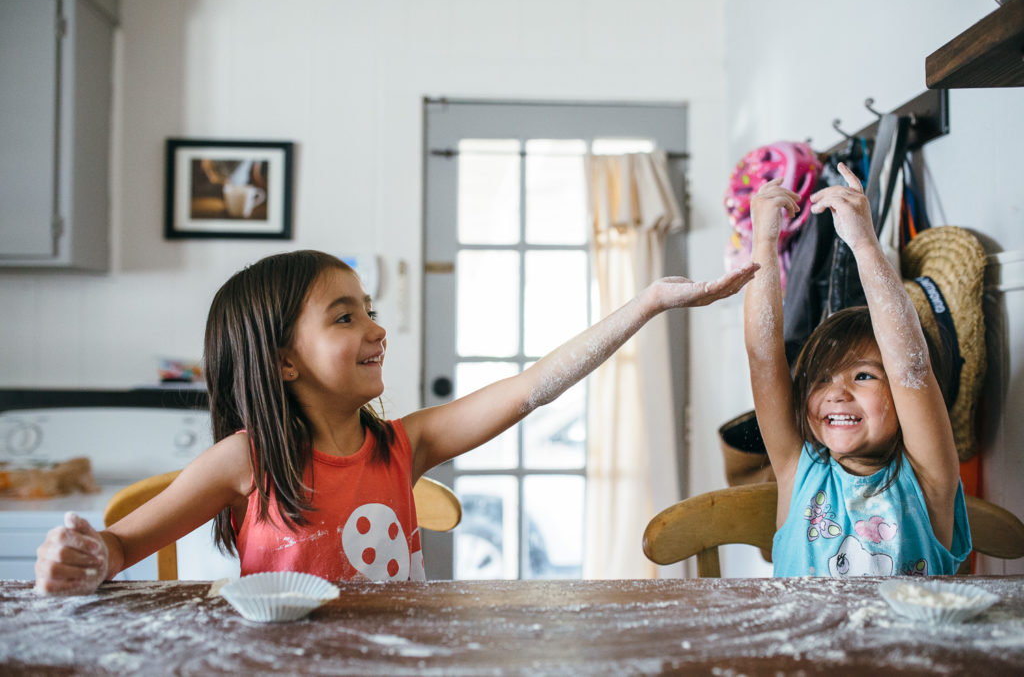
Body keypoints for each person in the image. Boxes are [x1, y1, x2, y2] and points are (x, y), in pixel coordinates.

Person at [35, 250, 758, 594]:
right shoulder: (244, 458)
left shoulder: (405, 445)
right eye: (345, 315)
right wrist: (84, 556)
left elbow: (534, 385)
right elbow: (122, 545)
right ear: (284, 361)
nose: (375, 327)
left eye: (370, 307)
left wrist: (654, 301)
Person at [744, 163, 970, 577]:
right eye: (822, 378)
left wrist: (864, 244)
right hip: (803, 644)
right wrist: (763, 243)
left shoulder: (928, 477)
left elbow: (910, 369)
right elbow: (763, 358)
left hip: (907, 645)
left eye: (863, 375)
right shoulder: (799, 471)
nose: (836, 392)